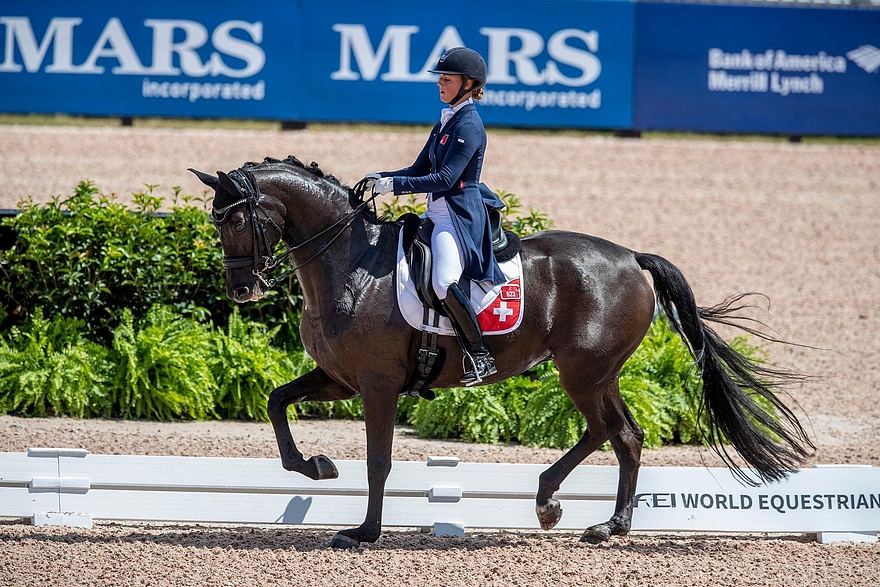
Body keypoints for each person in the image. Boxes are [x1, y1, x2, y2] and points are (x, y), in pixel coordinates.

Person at [365, 47, 505, 386]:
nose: (440, 84)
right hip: (434, 213)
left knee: (444, 282)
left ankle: (480, 356)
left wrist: (393, 186)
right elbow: (418, 169)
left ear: (468, 84)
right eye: (440, 78)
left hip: (456, 218)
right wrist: (378, 178)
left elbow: (445, 179)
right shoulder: (447, 119)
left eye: (447, 79)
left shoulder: (469, 125)